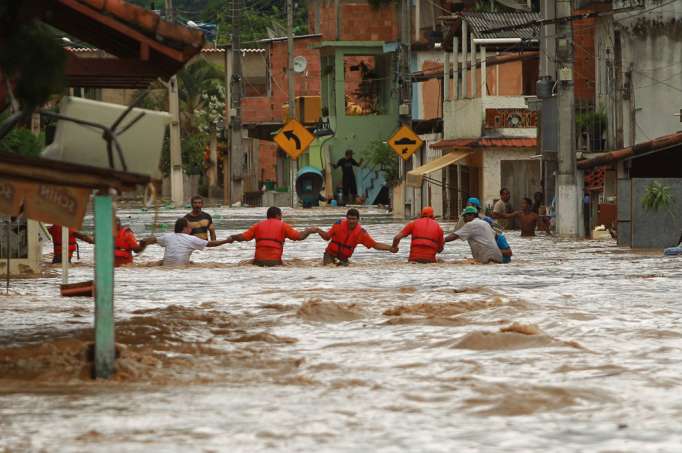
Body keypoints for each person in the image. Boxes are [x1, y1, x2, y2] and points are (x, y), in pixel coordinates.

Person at [230, 206, 319, 266]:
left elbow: (242, 237)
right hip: (275, 263)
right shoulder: (283, 225)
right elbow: (299, 237)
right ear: (277, 215)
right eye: (281, 216)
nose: (281, 218)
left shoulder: (257, 225)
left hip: (258, 263)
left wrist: (232, 237)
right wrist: (309, 231)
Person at [318, 208, 396, 265]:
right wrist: (317, 230)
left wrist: (390, 248)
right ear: (346, 218)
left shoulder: (361, 233)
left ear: (358, 219)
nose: (351, 221)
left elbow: (375, 245)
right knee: (328, 270)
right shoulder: (338, 225)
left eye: (354, 219)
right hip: (330, 255)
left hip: (344, 259)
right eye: (349, 219)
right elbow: (327, 237)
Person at [143, 217, 232, 266]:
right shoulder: (191, 239)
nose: (191, 228)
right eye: (190, 227)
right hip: (180, 268)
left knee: (162, 262)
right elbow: (211, 244)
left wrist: (142, 242)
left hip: (166, 266)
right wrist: (226, 241)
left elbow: (153, 239)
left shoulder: (167, 237)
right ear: (185, 228)